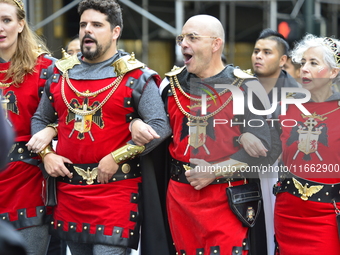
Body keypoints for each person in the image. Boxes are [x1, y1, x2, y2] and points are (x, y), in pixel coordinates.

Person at [30, 0, 171, 255]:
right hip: (69, 192)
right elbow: (40, 119)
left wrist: (117, 156)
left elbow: (160, 126)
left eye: (96, 25)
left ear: (116, 31)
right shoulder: (60, 75)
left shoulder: (136, 76)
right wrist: (46, 154)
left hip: (116, 193)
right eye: (84, 24)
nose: (87, 31)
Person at [132, 14, 274, 254]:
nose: (183, 43)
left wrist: (215, 170)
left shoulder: (246, 86)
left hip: (229, 201)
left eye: (193, 38)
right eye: (182, 38)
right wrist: (134, 123)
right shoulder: (170, 86)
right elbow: (153, 126)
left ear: (215, 44)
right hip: (179, 199)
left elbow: (265, 151)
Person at [0, 0, 56, 254]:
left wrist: (51, 129)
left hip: (28, 182)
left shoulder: (46, 68)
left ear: (21, 24)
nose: (0, 28)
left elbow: (71, 114)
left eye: (6, 20)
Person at [250, 28, 300, 255]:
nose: (258, 56)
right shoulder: (242, 87)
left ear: (283, 60)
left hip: (284, 178)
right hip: (245, 174)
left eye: (266, 52)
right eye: (256, 51)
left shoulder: (299, 94)